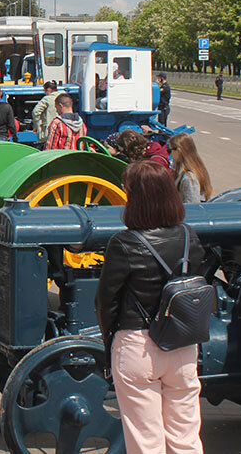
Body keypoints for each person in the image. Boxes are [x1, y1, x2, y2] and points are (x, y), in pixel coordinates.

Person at [96, 160, 206, 454]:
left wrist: (110, 344)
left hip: (138, 345)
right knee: (185, 437)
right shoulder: (189, 237)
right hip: (182, 345)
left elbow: (106, 302)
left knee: (146, 441)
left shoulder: (123, 243)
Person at [169, 134, 212, 203]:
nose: (170, 154)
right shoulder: (194, 170)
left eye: (170, 150)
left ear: (179, 151)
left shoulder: (189, 178)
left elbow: (192, 205)